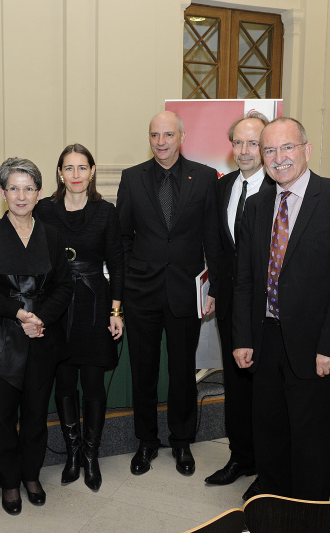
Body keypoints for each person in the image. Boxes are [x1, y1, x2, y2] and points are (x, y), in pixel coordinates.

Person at [232, 117, 330, 502]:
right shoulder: (256, 206)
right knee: (270, 433)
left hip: (316, 344)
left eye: (287, 147)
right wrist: (242, 337)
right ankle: (274, 508)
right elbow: (244, 280)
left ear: (306, 150)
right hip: (265, 338)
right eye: (269, 150)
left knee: (311, 440)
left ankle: (308, 515)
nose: (278, 158)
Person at [116, 111, 221, 477]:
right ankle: (146, 441)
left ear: (182, 136)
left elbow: (213, 238)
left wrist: (215, 288)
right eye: (154, 135)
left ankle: (181, 441)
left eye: (168, 134)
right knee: (143, 372)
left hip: (185, 292)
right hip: (141, 293)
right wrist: (130, 277)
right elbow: (123, 236)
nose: (161, 141)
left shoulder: (206, 178)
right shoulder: (132, 178)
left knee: (182, 372)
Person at [0, 157, 72, 515]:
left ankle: (31, 475)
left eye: (29, 188)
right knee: (2, 417)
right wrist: (18, 313)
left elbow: (63, 287)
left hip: (42, 336)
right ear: (2, 193)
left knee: (35, 415)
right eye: (14, 188)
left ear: (39, 193)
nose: (21, 195)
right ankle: (9, 483)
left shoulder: (53, 236)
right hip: (2, 339)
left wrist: (39, 317)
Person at [34, 144, 124, 491]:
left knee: (93, 384)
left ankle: (91, 455)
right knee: (65, 382)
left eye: (82, 168)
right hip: (57, 305)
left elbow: (117, 264)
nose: (75, 175)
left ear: (92, 171)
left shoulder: (106, 212)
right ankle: (72, 453)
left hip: (95, 304)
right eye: (69, 168)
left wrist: (116, 311)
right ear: (59, 173)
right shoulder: (45, 209)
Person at [205, 111, 274, 487]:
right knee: (235, 384)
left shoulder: (279, 188)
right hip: (231, 304)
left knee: (265, 388)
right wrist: (215, 289)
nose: (245, 151)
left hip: (269, 308)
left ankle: (268, 464)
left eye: (254, 143)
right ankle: (240, 457)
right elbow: (216, 246)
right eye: (239, 143)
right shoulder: (223, 185)